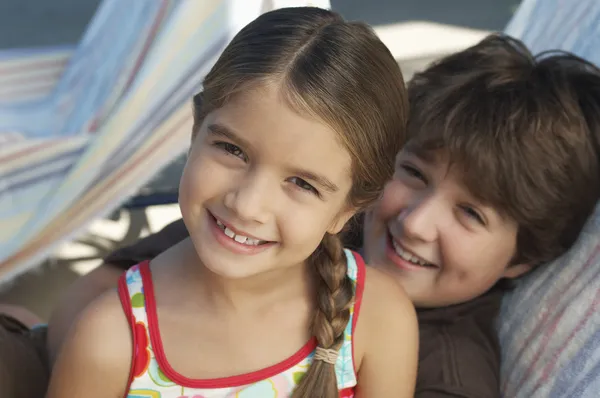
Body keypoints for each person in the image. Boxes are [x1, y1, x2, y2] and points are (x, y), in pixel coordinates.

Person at [45, 34, 600, 397]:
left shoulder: (441, 370)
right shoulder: (269, 218)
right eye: (413, 174)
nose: (415, 223)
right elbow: (86, 303)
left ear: (523, 258)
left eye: (472, 214)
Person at [46, 7, 419, 398]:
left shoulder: (378, 317)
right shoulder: (109, 342)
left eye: (302, 183)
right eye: (231, 150)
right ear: (195, 131)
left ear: (347, 209)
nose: (247, 205)